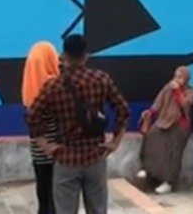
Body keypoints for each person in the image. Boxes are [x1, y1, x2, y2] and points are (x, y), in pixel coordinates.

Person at [27, 34, 131, 214]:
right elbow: (123, 110)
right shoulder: (101, 79)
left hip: (66, 157)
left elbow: (32, 116)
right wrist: (115, 142)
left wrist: (46, 146)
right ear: (86, 55)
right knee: (98, 209)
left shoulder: (53, 86)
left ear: (63, 56)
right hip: (95, 155)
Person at [136, 65, 193, 194]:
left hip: (180, 125)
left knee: (173, 152)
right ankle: (147, 168)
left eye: (180, 77)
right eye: (175, 76)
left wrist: (177, 91)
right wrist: (150, 112)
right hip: (164, 121)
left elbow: (185, 104)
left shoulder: (191, 92)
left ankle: (169, 182)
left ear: (186, 79)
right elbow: (158, 102)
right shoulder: (167, 88)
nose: (177, 79)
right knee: (151, 135)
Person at [22, 41, 61, 214]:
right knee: (57, 192)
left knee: (43, 188)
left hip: (38, 148)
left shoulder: (29, 84)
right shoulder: (55, 85)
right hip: (57, 148)